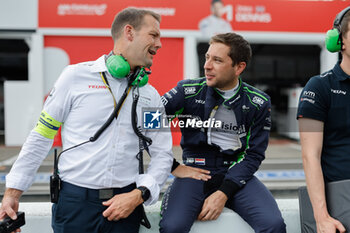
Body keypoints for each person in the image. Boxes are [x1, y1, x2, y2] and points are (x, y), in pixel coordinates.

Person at [0, 7, 173, 233]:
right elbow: (42, 135)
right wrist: (13, 192)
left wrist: (139, 194)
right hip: (74, 205)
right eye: (154, 35)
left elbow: (163, 154)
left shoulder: (150, 96)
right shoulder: (74, 77)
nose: (159, 44)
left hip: (125, 209)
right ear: (129, 32)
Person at [160, 32, 286, 233]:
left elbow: (254, 154)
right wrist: (172, 165)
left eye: (217, 60)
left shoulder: (258, 102)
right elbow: (144, 125)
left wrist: (223, 192)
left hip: (235, 173)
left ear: (239, 67)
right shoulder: (187, 90)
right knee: (172, 227)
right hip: (194, 172)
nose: (207, 65)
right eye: (207, 57)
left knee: (274, 225)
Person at [297, 7, 350, 233]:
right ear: (339, 42)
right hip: (340, 198)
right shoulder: (319, 87)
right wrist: (322, 217)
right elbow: (310, 155)